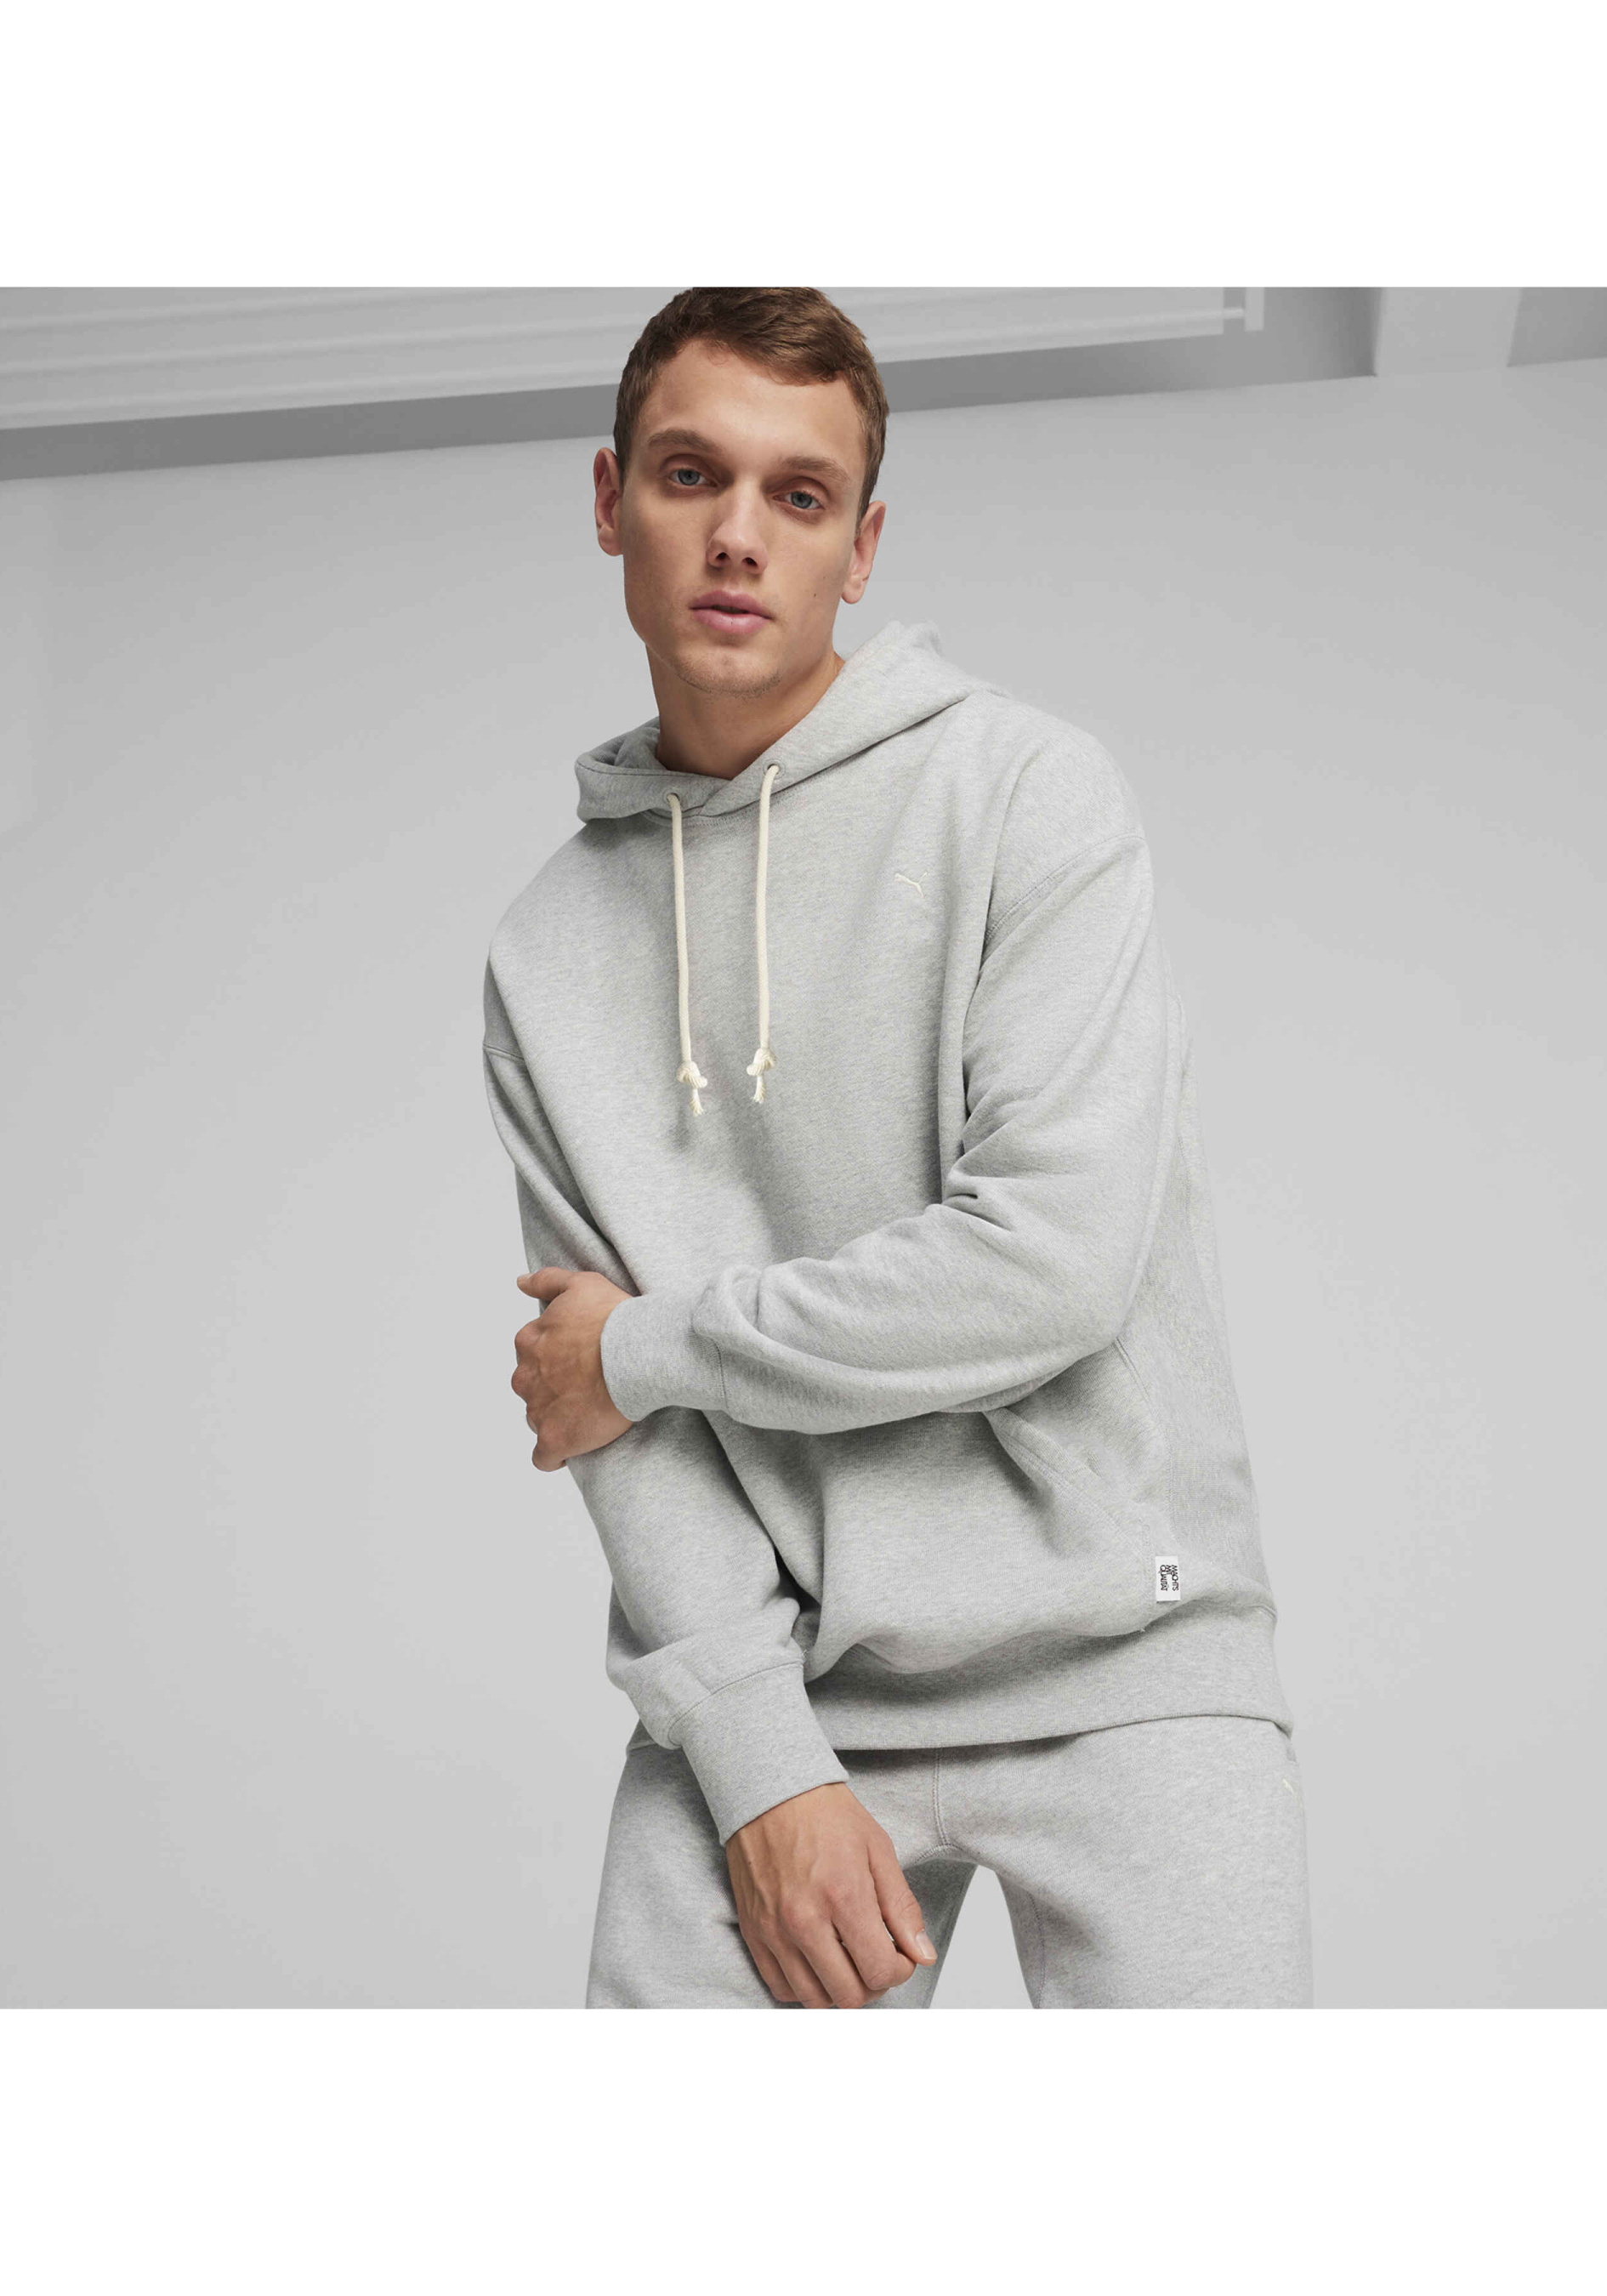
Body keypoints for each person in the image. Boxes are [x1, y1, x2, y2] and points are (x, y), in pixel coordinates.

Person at [484, 286, 1313, 2009]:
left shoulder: (1025, 795)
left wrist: (645, 1350)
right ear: (610, 501)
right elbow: (608, 1430)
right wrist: (759, 1767)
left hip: (1127, 1652)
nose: (738, 535)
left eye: (797, 496)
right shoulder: (546, 949)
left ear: (859, 549)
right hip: (785, 1691)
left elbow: (1044, 1269)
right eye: (690, 474)